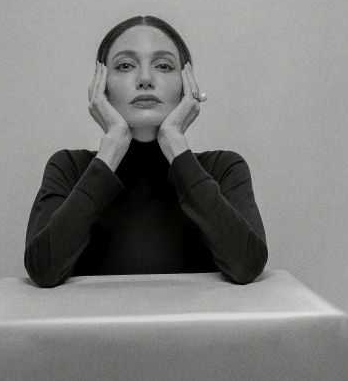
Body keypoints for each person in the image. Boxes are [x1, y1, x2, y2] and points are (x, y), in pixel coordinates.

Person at [24, 16, 268, 287]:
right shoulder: (69, 167)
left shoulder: (223, 168)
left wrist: (176, 145)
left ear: (187, 86)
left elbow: (247, 266)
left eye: (163, 66)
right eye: (125, 66)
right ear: (101, 87)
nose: (145, 80)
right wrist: (111, 149)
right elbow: (43, 270)